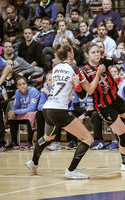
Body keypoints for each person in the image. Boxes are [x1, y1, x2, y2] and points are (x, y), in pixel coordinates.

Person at [26, 44, 94, 179]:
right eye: (73, 51)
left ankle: (33, 162)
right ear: (70, 54)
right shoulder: (75, 70)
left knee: (48, 137)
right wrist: (78, 83)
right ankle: (71, 170)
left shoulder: (55, 68)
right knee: (88, 138)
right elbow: (83, 94)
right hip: (59, 110)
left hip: (48, 108)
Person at [74, 42, 125, 171]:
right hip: (104, 106)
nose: (97, 54)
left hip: (116, 99)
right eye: (93, 52)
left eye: (98, 52)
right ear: (87, 55)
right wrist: (98, 73)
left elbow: (118, 60)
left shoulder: (104, 61)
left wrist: (119, 55)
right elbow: (88, 91)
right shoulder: (84, 72)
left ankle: (122, 125)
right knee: (124, 135)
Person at [6, 76, 40, 150]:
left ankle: (29, 142)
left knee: (31, 115)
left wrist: (16, 112)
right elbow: (16, 106)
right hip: (26, 112)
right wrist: (13, 112)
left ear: (27, 84)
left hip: (37, 114)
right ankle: (14, 142)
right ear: (17, 86)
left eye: (24, 84)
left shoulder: (33, 91)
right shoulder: (17, 92)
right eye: (20, 84)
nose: (22, 86)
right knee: (11, 117)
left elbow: (32, 108)